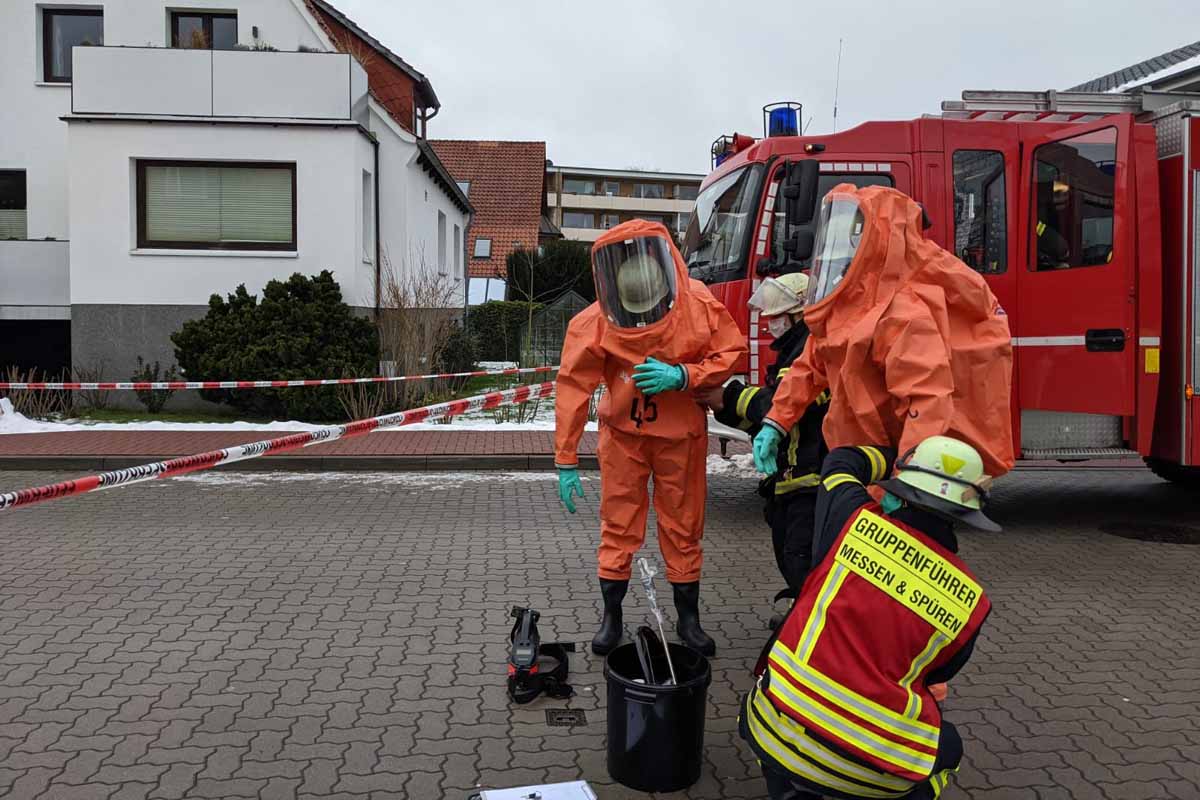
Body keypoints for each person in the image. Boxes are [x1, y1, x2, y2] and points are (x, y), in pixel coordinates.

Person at [740, 435, 998, 800]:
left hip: (770, 731)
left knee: (783, 746)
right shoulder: (970, 601)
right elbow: (938, 674)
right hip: (869, 773)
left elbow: (841, 462)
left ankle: (790, 790)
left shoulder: (851, 519)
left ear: (901, 491)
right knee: (949, 747)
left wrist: (896, 451)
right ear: (965, 514)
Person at [554, 219, 746, 657]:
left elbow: (731, 352)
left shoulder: (698, 304)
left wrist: (684, 375)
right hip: (624, 438)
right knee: (618, 525)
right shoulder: (596, 322)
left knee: (684, 527)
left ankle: (689, 620)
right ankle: (612, 617)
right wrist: (565, 459)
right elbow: (573, 387)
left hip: (680, 438)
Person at [752, 184, 1014, 481]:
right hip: (860, 458)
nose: (835, 258)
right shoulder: (846, 306)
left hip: (898, 462)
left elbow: (927, 403)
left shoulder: (902, 314)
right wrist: (776, 421)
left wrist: (908, 479)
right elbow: (810, 366)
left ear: (871, 242)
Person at [705, 272, 828, 602]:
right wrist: (726, 410)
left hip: (813, 476)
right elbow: (770, 419)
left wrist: (729, 396)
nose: (770, 323)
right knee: (789, 550)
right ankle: (803, 609)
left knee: (801, 556)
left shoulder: (810, 349)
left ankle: (811, 620)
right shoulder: (792, 349)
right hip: (792, 476)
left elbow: (783, 404)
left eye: (778, 315)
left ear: (800, 313)